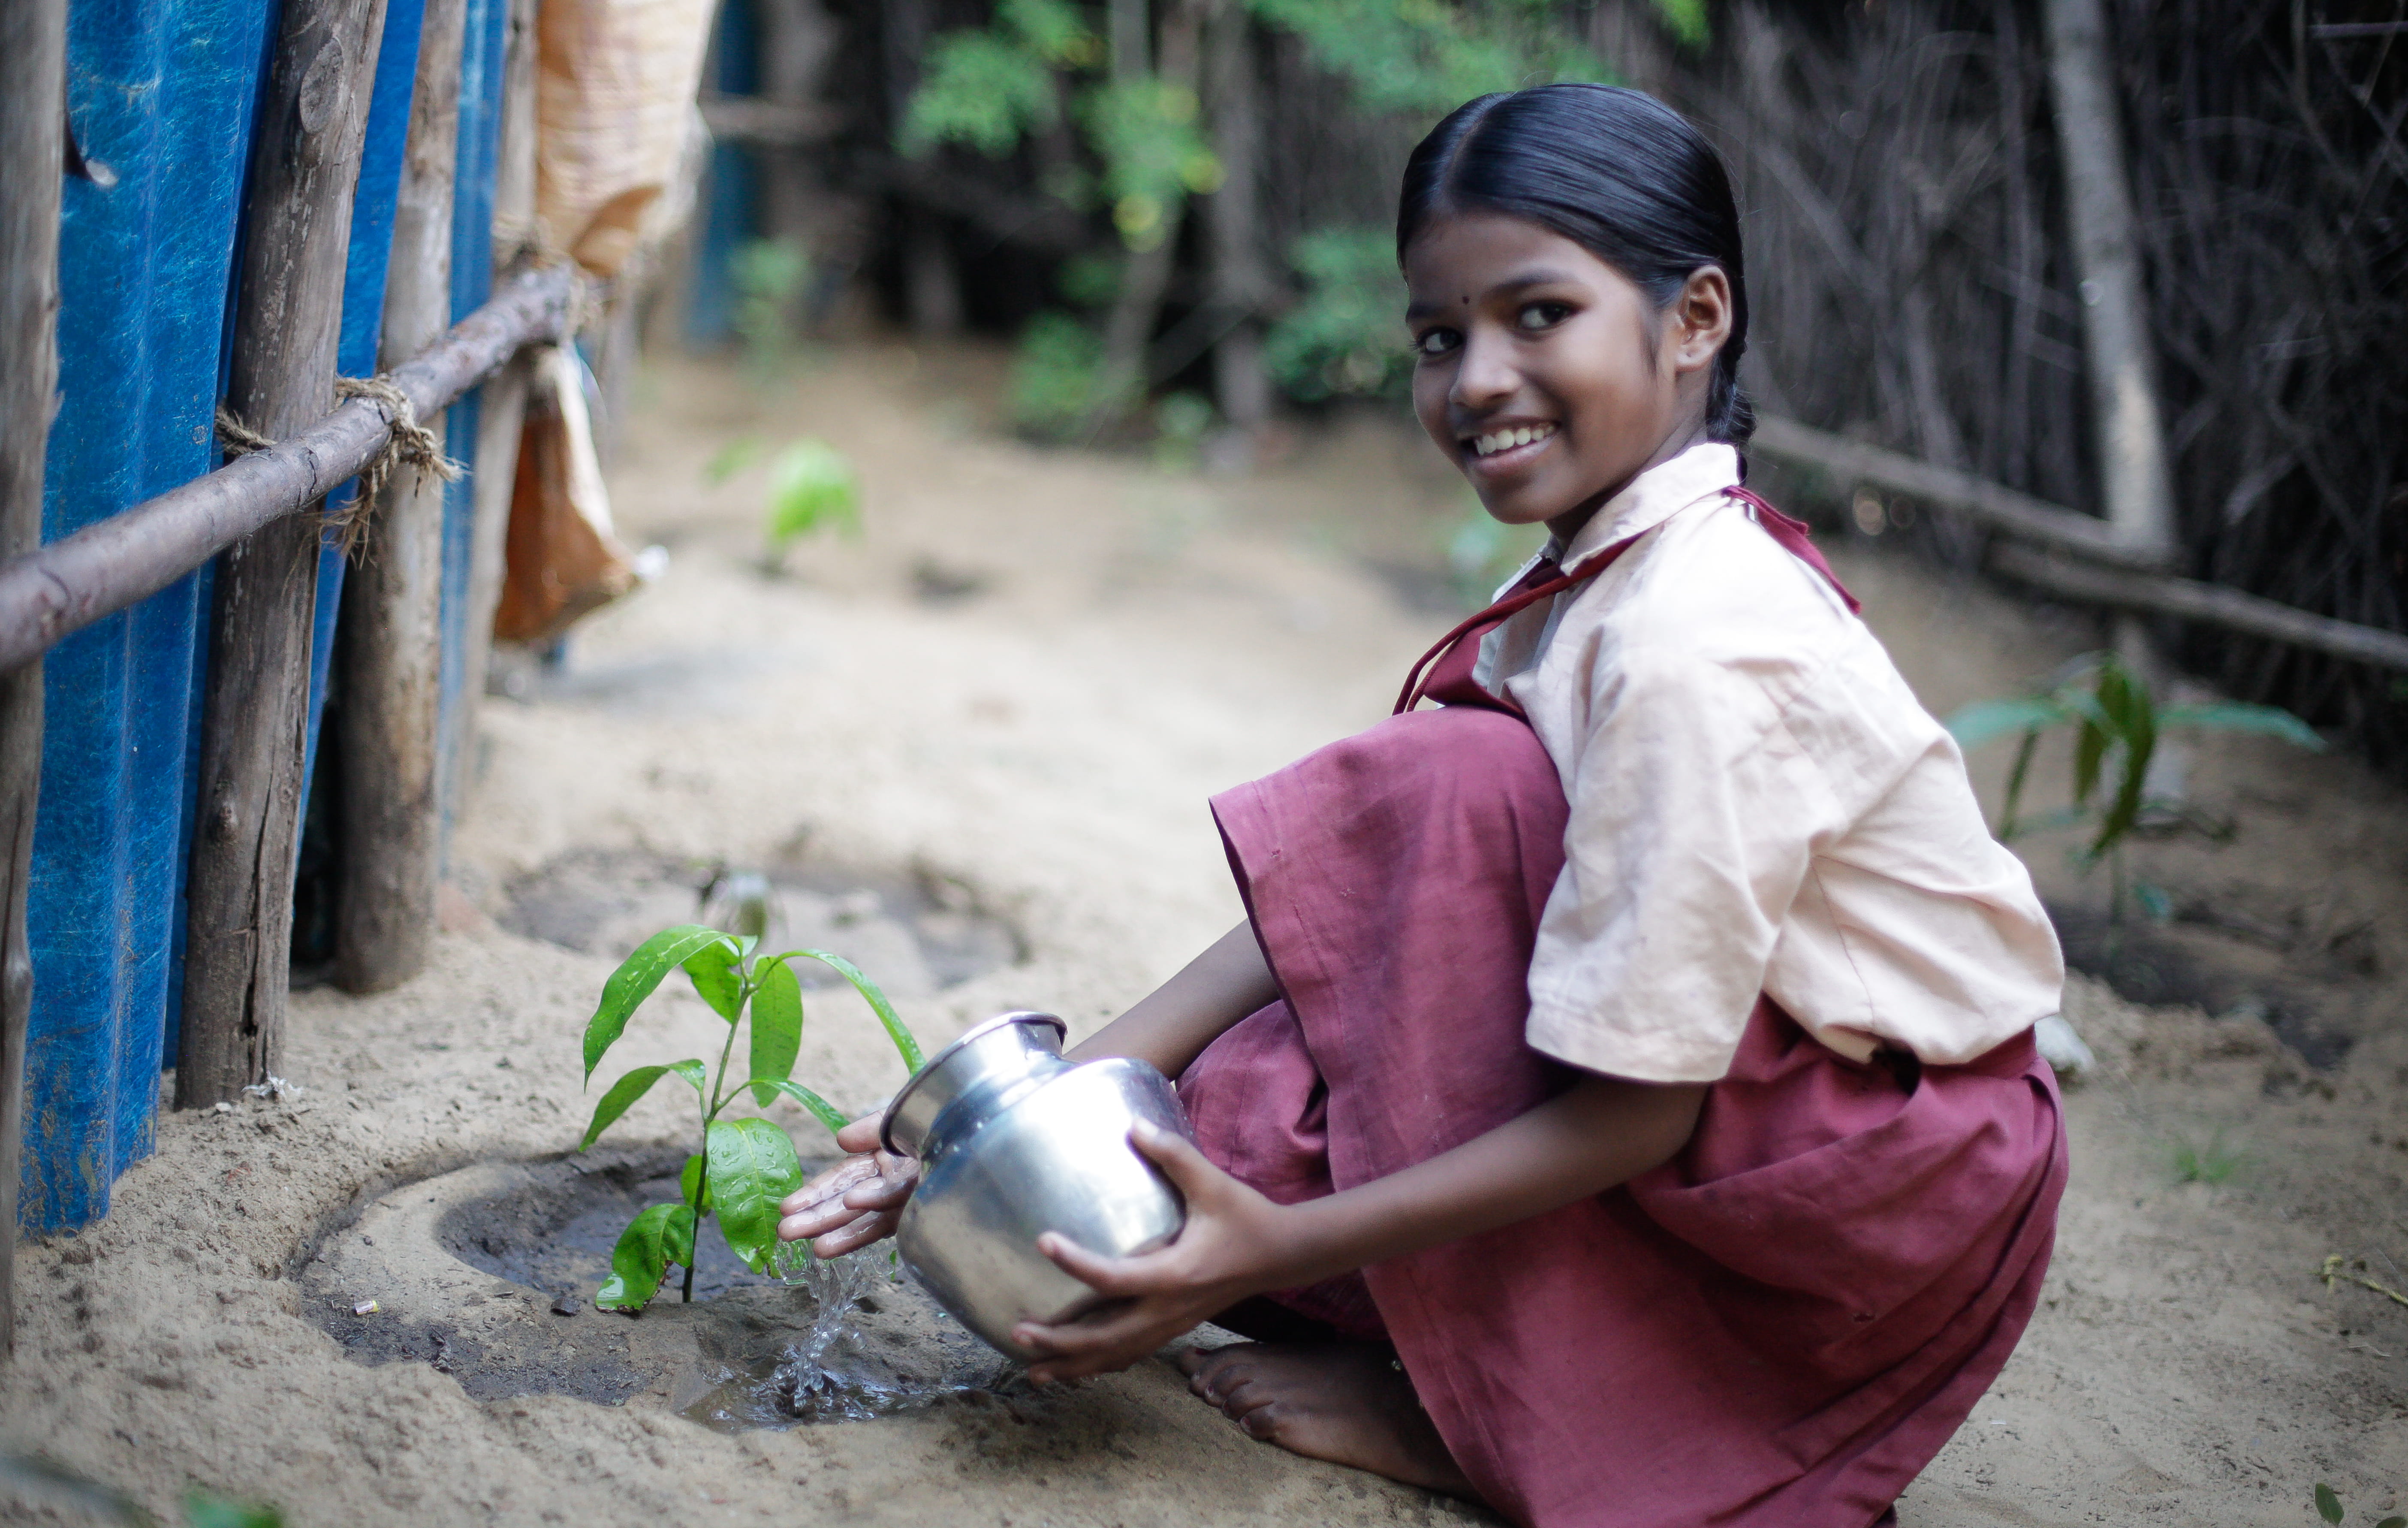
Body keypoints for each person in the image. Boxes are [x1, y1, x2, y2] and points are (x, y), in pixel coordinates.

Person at [779, 83, 2067, 1528]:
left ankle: (1484, 1412)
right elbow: (1377, 875)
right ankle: (1457, 1348)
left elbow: (1635, 1115)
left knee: (1443, 815)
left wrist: (1267, 1254)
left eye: (1539, 315)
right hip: (1735, 1093)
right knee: (1233, 1117)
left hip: (1857, 1182)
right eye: (1440, 337)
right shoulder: (1606, 564)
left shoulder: (1701, 642)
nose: (1479, 379)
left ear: (1696, 318)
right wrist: (1024, 1118)